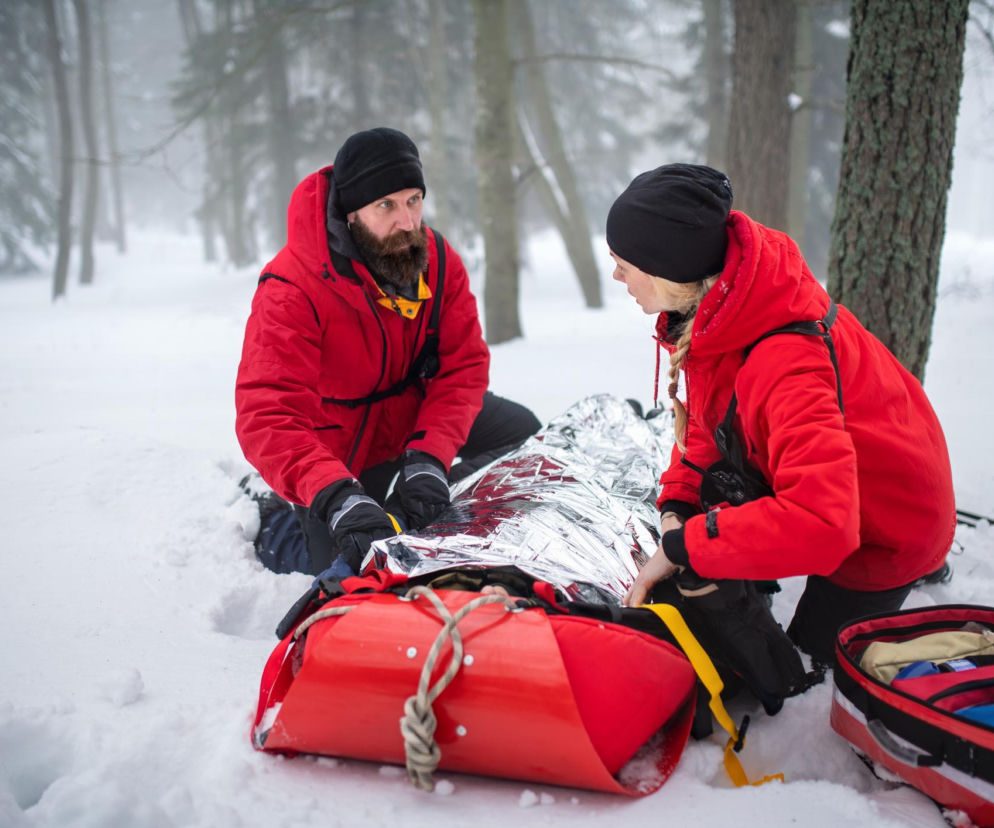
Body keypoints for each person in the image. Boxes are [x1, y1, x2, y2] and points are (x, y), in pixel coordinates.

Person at [608, 163, 956, 663]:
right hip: (848, 482)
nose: (616, 275)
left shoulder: (785, 361)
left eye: (624, 262)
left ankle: (918, 573)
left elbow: (825, 523)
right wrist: (678, 507)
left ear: (668, 267)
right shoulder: (723, 307)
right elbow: (708, 428)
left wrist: (687, 547)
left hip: (888, 527)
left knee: (803, 666)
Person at [235, 127, 540, 578]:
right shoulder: (291, 288)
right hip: (338, 450)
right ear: (351, 213)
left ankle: (413, 507)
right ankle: (275, 516)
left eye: (414, 200)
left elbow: (463, 368)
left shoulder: (435, 257)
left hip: (412, 419)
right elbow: (267, 413)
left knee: (526, 436)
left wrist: (430, 458)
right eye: (386, 206)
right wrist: (335, 494)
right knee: (350, 562)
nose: (407, 222)